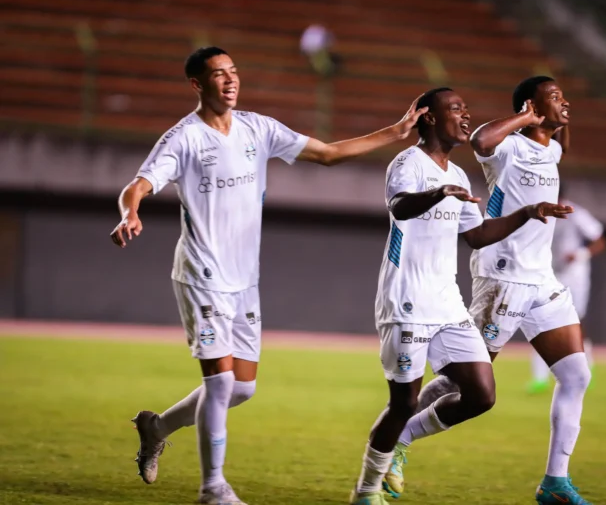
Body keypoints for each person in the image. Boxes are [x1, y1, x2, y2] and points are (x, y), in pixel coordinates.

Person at [110, 46, 428, 505]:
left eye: (234, 71)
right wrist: (130, 213)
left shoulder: (258, 129)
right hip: (202, 274)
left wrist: (394, 133)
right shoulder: (183, 138)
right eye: (218, 75)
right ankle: (213, 488)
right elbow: (137, 185)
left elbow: (329, 153)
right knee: (219, 383)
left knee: (241, 388)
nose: (230, 80)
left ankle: (155, 426)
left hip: (244, 279)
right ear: (198, 85)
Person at [349, 87, 573, 505]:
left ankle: (400, 448)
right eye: (456, 109)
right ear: (430, 118)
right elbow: (399, 206)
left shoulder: (458, 175)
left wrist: (527, 212)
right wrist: (436, 195)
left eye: (467, 108)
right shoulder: (408, 163)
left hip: (447, 302)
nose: (465, 115)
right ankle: (365, 492)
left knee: (481, 394)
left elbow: (477, 236)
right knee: (403, 403)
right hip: (407, 301)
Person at [529, 183, 606, 394]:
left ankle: (587, 367)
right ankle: (539, 378)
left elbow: (600, 241)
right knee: (540, 320)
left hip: (575, 276)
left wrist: (580, 254)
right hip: (547, 273)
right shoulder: (537, 211)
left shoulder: (577, 214)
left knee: (577, 322)